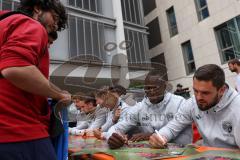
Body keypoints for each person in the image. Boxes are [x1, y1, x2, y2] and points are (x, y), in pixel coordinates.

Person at [0, 0, 70, 159]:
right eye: (55, 17)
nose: (55, 25)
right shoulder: (31, 24)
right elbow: (17, 68)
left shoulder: (5, 24)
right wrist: (59, 96)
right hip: (19, 130)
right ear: (38, 8)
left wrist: (57, 92)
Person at [149, 64, 240, 149]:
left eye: (205, 93)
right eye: (195, 91)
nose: (198, 97)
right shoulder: (192, 103)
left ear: (222, 90)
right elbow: (172, 127)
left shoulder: (237, 108)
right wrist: (160, 137)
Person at [107, 70, 192, 149]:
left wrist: (151, 136)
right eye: (147, 88)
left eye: (155, 88)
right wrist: (113, 138)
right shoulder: (140, 107)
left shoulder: (179, 103)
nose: (151, 91)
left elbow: (184, 139)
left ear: (164, 87)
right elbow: (116, 128)